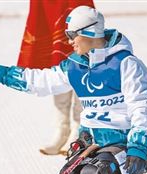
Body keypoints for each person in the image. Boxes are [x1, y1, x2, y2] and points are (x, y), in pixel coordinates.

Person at [0, 5, 147, 174]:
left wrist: (138, 147)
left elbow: (142, 106)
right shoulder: (75, 66)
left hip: (120, 143)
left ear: (89, 32)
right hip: (91, 143)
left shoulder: (125, 64)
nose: (69, 41)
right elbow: (42, 81)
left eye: (71, 35)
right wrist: (1, 74)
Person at [17, 0, 93, 156]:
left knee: (84, 59)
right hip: (49, 6)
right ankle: (61, 130)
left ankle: (80, 130)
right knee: (56, 59)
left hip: (74, 4)